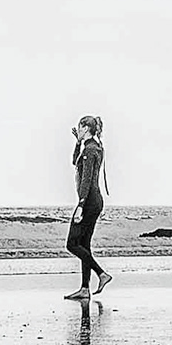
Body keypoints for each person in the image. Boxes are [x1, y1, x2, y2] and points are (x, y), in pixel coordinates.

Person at [67, 113, 109, 301]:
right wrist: (77, 143)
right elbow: (74, 163)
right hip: (94, 200)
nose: (79, 129)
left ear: (86, 128)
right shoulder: (91, 147)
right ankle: (85, 289)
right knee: (84, 245)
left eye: (80, 127)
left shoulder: (90, 150)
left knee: (72, 244)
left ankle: (101, 274)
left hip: (90, 201)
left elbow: (87, 179)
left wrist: (81, 204)